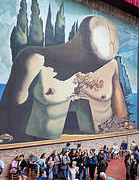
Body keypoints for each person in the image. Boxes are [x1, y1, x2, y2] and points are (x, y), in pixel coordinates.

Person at [0, 16, 129, 143]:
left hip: (98, 141)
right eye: (94, 63)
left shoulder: (111, 65)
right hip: (43, 144)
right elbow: (9, 108)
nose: (93, 71)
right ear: (80, 45)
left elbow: (121, 117)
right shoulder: (34, 60)